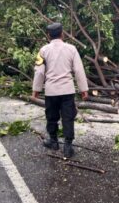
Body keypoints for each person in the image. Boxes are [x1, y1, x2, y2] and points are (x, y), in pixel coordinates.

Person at [32, 22, 89, 158]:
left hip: (51, 91)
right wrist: (84, 89)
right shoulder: (71, 49)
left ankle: (53, 141)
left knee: (51, 117)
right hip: (67, 90)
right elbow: (79, 70)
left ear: (48, 35)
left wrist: (36, 90)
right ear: (62, 34)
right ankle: (68, 147)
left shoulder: (43, 50)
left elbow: (39, 72)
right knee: (68, 117)